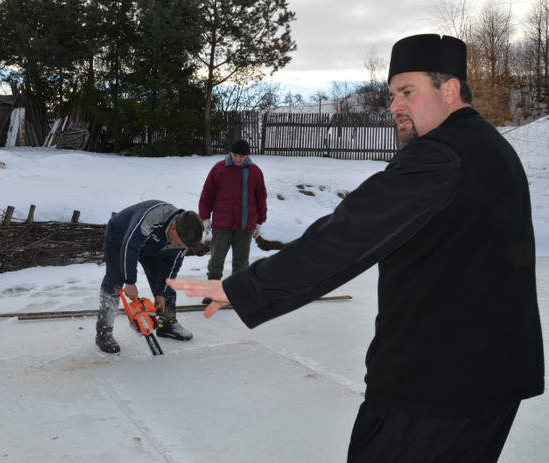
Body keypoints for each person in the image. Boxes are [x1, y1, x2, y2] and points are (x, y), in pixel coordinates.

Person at [169, 34, 544, 462]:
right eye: (391, 95)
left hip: (434, 387)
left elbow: (346, 236)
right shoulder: (494, 148)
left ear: (451, 89)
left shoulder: (442, 156)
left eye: (408, 91)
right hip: (491, 381)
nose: (395, 106)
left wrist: (244, 288)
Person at [95, 200, 203, 354]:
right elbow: (130, 246)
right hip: (121, 238)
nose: (182, 246)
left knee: (165, 282)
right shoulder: (153, 217)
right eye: (182, 242)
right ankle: (103, 332)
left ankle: (167, 323)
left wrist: (161, 294)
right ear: (174, 227)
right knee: (116, 280)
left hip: (153, 247)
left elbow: (171, 268)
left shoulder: (182, 241)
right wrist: (130, 282)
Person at [198, 139, 267, 298]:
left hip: (245, 224)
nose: (237, 159)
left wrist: (259, 221)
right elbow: (207, 195)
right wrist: (205, 217)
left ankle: (239, 293)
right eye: (235, 155)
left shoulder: (255, 172)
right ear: (230, 153)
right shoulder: (219, 169)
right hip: (223, 224)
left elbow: (260, 198)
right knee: (216, 259)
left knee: (241, 263)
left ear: (247, 156)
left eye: (241, 156)